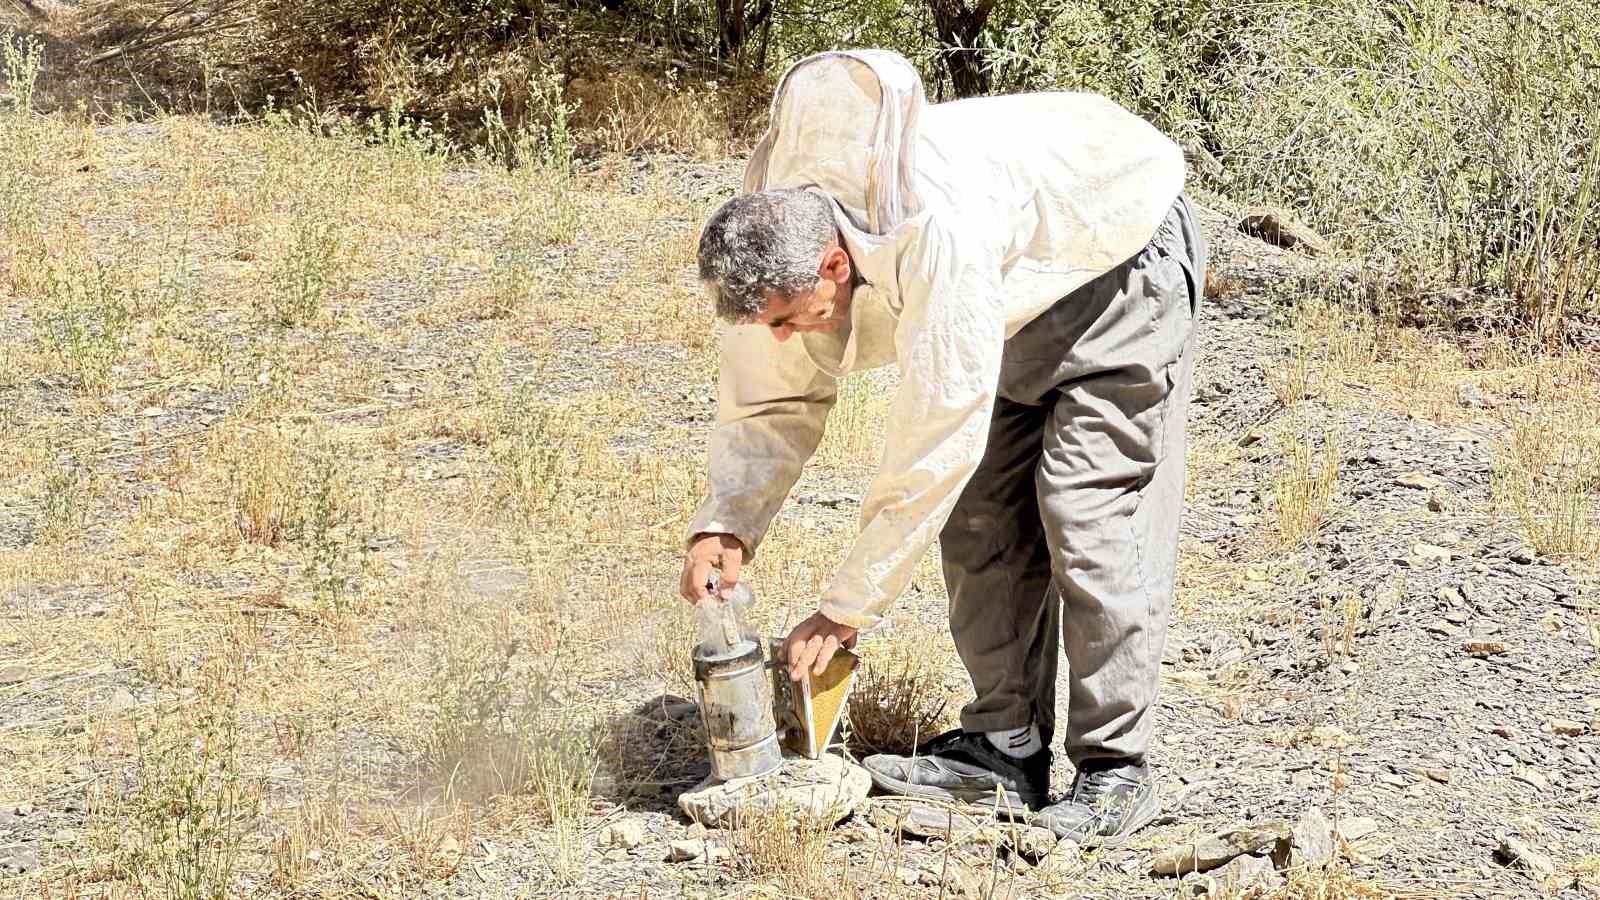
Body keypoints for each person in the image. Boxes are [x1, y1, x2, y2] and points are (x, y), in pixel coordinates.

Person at [676, 48, 1204, 845]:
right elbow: (772, 396)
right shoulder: (784, 232)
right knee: (980, 519)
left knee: (1087, 513)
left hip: (1117, 257)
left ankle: (1115, 771)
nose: (782, 335)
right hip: (1019, 288)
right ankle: (1004, 748)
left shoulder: (933, 227)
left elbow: (938, 433)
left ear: (832, 263)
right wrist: (727, 520)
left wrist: (846, 608)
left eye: (788, 317)